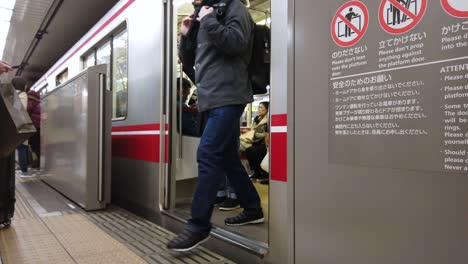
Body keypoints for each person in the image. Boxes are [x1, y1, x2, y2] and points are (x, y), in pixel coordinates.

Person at [167, 0, 264, 252]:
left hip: (229, 95)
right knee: (229, 159)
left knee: (208, 154)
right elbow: (190, 64)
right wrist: (186, 37)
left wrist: (209, 20)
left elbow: (237, 43)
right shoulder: (203, 16)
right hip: (209, 100)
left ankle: (198, 225)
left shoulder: (234, 8)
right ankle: (253, 209)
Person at [11, 77, 35, 177]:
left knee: (14, 148)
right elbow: (21, 109)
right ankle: (24, 171)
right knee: (22, 148)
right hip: (20, 124)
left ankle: (13, 170)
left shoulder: (10, 94)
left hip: (11, 125)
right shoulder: (22, 94)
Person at [245, 102, 269, 183]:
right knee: (248, 150)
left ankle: (262, 172)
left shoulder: (268, 119)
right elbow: (252, 129)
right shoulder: (256, 118)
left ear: (267, 109)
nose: (259, 109)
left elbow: (265, 134)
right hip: (255, 141)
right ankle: (256, 171)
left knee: (253, 151)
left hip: (263, 142)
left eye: (261, 107)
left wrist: (254, 133)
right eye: (259, 107)